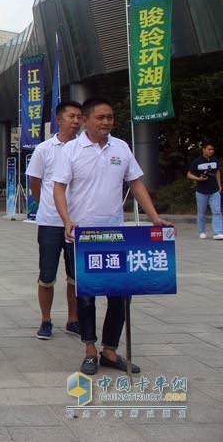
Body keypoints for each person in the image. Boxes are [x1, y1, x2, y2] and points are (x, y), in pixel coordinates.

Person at [52, 96, 171, 376]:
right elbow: (58, 188)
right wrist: (67, 220)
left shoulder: (121, 147)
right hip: (82, 235)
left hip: (116, 234)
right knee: (87, 296)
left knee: (120, 295)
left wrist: (154, 217)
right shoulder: (71, 151)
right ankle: (90, 349)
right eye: (100, 118)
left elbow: (136, 183)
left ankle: (110, 350)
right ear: (86, 120)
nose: (106, 122)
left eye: (110, 118)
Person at [25, 101, 82, 340]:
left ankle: (73, 319)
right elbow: (35, 183)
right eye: (71, 116)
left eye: (80, 116)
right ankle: (46, 320)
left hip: (78, 223)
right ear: (59, 119)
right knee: (47, 274)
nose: (76, 121)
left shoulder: (84, 148)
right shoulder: (45, 149)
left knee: (75, 276)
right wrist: (46, 206)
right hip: (49, 222)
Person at [186, 141, 222, 240]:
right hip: (201, 191)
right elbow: (189, 174)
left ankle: (218, 232)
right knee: (201, 213)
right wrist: (198, 179)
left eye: (212, 149)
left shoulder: (214, 160)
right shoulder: (197, 161)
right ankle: (202, 231)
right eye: (209, 149)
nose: (211, 151)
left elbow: (218, 171)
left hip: (214, 190)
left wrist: (219, 185)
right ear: (204, 150)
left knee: (217, 211)